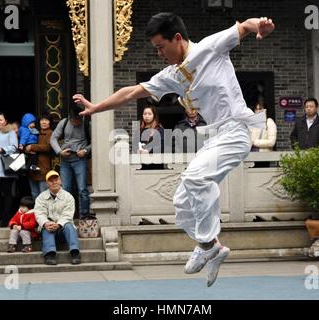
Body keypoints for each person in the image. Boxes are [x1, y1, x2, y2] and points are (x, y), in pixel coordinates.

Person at [73, 13, 274, 286]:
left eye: (160, 47)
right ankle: (213, 246)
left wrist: (259, 27)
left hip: (236, 131)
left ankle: (206, 245)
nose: (159, 54)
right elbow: (131, 92)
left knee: (195, 178)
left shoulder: (209, 48)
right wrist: (97, 107)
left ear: (177, 38)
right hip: (214, 136)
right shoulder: (171, 75)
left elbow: (243, 27)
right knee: (181, 200)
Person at [50, 106, 93, 220]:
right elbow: (53, 138)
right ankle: (66, 215)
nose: (76, 123)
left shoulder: (87, 124)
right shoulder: (63, 122)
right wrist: (59, 152)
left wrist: (85, 150)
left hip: (80, 159)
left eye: (78, 120)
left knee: (82, 188)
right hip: (65, 159)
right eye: (73, 120)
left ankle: (84, 214)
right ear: (70, 117)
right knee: (65, 188)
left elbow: (95, 141)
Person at [34, 170, 81, 265]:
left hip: (63, 229)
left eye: (56, 179)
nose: (54, 182)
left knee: (69, 225)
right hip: (49, 228)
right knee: (47, 228)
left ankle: (75, 253)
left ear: (60, 181)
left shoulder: (68, 197)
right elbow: (39, 213)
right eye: (51, 180)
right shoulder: (41, 197)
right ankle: (49, 254)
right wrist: (45, 223)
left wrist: (59, 224)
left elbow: (68, 214)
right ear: (47, 183)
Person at [25, 114, 53, 198]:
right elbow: (26, 145)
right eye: (42, 120)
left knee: (43, 195)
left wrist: (32, 147)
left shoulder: (51, 133)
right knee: (34, 194)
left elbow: (48, 147)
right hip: (32, 168)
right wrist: (27, 150)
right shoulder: (34, 132)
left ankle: (44, 212)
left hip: (43, 168)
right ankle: (36, 211)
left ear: (50, 122)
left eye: (46, 120)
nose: (44, 122)